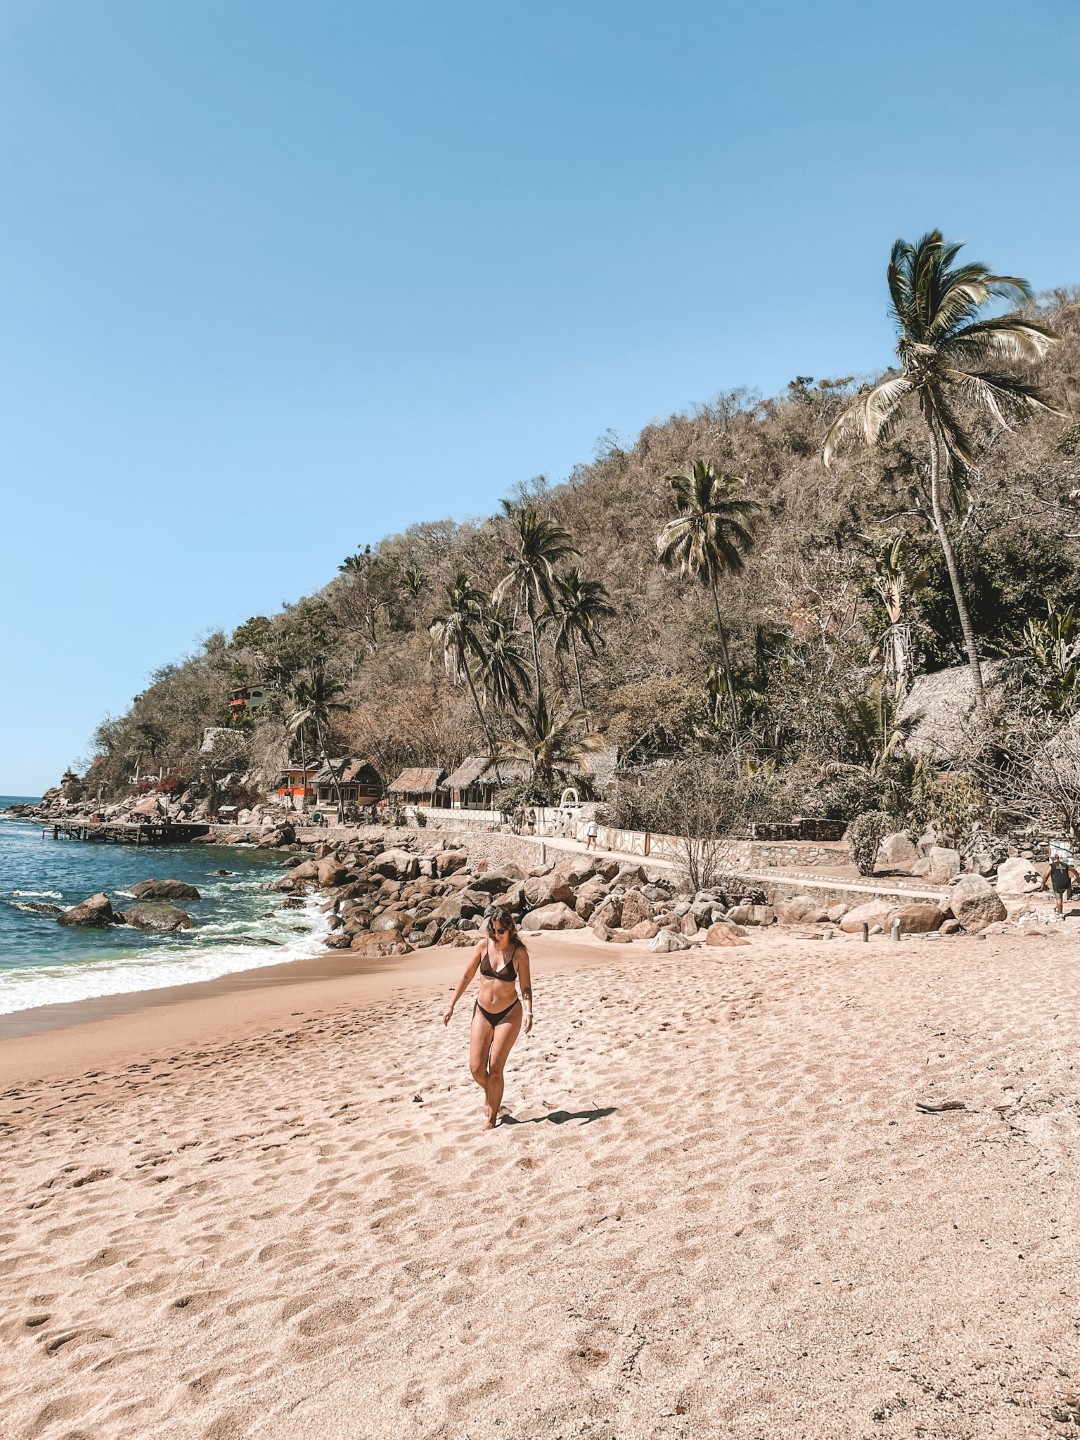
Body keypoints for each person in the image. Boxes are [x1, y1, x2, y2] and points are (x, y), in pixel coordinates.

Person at [443, 907, 533, 1130]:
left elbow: (525, 986)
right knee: (475, 1068)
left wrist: (529, 1012)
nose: (496, 935)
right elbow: (466, 976)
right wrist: (451, 1005)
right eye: (493, 931)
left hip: (509, 1013)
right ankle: (490, 1093)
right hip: (482, 1011)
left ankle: (492, 1117)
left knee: (495, 1069)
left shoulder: (519, 953)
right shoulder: (483, 946)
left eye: (501, 931)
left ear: (510, 929)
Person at [1041, 842, 1079, 917]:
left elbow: (1046, 876)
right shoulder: (1066, 865)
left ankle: (1060, 915)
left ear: (1053, 859)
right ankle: (1058, 908)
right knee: (1060, 897)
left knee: (1059, 899)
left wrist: (1043, 884)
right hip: (1066, 884)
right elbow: (1074, 871)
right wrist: (1078, 879)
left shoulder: (1052, 865)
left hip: (1058, 884)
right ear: (1059, 859)